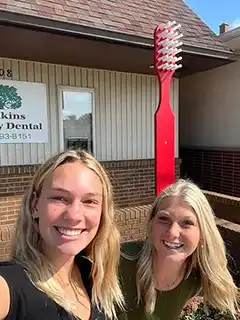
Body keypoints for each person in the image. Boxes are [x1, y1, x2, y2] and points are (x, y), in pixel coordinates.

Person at [0, 149, 124, 320]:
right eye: (59, 198)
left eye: (89, 201)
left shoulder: (94, 278)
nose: (74, 215)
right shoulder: (9, 285)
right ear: (35, 205)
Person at [118, 179, 239, 320]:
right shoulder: (120, 260)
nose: (172, 232)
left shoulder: (203, 280)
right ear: (151, 224)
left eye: (187, 223)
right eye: (164, 219)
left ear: (203, 234)